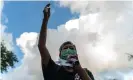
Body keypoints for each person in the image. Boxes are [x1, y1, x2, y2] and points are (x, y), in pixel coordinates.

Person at [38, 3, 95, 80]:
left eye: (71, 48)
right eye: (65, 48)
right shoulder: (52, 69)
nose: (68, 50)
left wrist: (79, 70)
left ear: (76, 54)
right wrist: (45, 20)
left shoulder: (86, 72)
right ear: (60, 54)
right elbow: (41, 46)